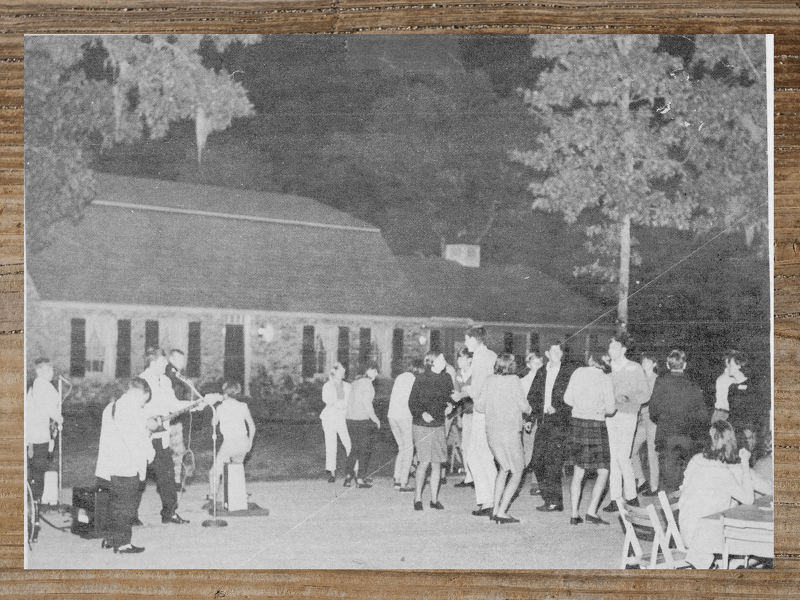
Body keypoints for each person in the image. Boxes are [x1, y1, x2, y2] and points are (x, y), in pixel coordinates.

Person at [679, 420, 755, 568]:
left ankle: (722, 564)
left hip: (685, 532)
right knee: (749, 544)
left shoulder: (695, 460)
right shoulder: (722, 471)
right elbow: (749, 499)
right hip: (701, 541)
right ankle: (733, 566)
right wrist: (745, 463)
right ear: (731, 443)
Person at [95, 378, 154, 553]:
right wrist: (150, 453)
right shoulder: (131, 409)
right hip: (126, 464)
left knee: (113, 504)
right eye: (145, 400)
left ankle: (110, 538)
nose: (144, 404)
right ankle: (122, 543)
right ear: (141, 393)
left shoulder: (112, 407)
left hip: (110, 463)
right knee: (126, 506)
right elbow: (137, 439)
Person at [140, 347, 197, 524]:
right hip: (143, 437)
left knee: (167, 476)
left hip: (162, 437)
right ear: (154, 362)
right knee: (137, 478)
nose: (167, 364)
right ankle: (130, 516)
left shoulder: (165, 381)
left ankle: (169, 513)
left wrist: (195, 404)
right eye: (163, 361)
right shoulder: (141, 381)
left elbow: (172, 404)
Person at [564, 347, 616, 526]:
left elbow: (567, 400)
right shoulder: (605, 379)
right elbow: (611, 409)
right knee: (603, 471)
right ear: (605, 361)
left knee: (579, 471)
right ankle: (592, 511)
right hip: (595, 425)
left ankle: (573, 514)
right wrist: (599, 408)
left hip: (577, 424)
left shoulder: (578, 372)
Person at [477, 353, 531, 523]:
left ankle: (494, 509)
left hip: (492, 433)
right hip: (509, 433)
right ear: (512, 366)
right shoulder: (514, 380)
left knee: (503, 468)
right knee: (518, 471)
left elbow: (479, 407)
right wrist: (530, 410)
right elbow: (523, 405)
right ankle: (502, 511)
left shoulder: (489, 380)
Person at [648, 350, 708, 493]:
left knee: (668, 478)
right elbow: (703, 414)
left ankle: (670, 509)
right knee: (686, 475)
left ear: (668, 366)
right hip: (687, 436)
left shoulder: (661, 381)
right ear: (685, 365)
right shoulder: (692, 383)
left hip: (666, 435)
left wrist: (662, 421)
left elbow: (653, 410)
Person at [603, 333, 650, 512]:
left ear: (623, 349)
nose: (610, 350)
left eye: (613, 347)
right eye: (609, 347)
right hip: (610, 416)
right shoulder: (607, 369)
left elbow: (645, 395)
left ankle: (631, 496)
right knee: (613, 457)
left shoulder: (635, 368)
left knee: (623, 456)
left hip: (628, 415)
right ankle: (615, 498)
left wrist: (628, 397)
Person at [529, 340, 575, 513]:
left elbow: (573, 399)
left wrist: (559, 409)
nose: (556, 354)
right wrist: (529, 418)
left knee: (553, 462)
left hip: (560, 423)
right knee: (537, 461)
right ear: (547, 354)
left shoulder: (568, 372)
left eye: (559, 351)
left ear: (562, 354)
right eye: (553, 351)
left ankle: (555, 501)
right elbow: (532, 396)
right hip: (543, 421)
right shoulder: (542, 372)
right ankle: (549, 496)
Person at [408, 351, 454, 510]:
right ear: (432, 362)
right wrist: (422, 413)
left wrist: (450, 406)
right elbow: (412, 402)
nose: (445, 361)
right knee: (424, 462)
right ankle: (418, 499)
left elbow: (449, 398)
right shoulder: (421, 379)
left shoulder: (447, 378)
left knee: (437, 463)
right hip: (422, 425)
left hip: (439, 424)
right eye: (441, 359)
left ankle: (434, 500)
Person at [25, 357, 63, 541]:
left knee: (34, 476)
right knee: (35, 478)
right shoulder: (42, 386)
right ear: (40, 371)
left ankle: (33, 518)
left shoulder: (38, 386)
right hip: (36, 439)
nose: (52, 373)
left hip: (38, 438)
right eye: (48, 370)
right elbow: (49, 409)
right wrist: (59, 418)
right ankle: (32, 521)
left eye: (51, 370)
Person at [462, 326, 498, 518]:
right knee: (478, 456)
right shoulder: (491, 355)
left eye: (467, 339)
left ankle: (491, 500)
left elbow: (477, 389)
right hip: (487, 410)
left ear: (474, 340)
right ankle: (488, 500)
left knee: (479, 455)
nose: (466, 343)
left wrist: (464, 391)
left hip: (482, 412)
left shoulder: (480, 357)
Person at [344, 362, 381, 488]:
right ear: (368, 370)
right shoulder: (367, 384)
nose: (376, 373)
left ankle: (348, 476)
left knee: (355, 448)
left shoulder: (355, 383)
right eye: (374, 371)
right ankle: (360, 479)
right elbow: (367, 404)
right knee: (364, 450)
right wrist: (375, 419)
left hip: (350, 419)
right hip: (361, 420)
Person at [388, 360, 420, 492]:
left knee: (401, 447)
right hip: (404, 415)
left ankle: (397, 478)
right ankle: (403, 482)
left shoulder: (400, 377)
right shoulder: (414, 379)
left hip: (392, 415)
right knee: (409, 449)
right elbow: (415, 399)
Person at [631, 352, 659, 496]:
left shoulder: (657, 380)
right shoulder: (639, 379)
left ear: (654, 364)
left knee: (651, 452)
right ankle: (641, 480)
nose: (644, 363)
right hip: (641, 419)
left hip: (652, 419)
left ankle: (654, 486)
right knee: (632, 450)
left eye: (648, 361)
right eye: (643, 361)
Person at [320, 362, 352, 483]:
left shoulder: (348, 386)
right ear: (334, 372)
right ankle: (332, 472)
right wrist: (333, 385)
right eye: (341, 371)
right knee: (331, 444)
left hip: (342, 417)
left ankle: (355, 469)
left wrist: (341, 404)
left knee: (348, 443)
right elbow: (328, 401)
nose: (343, 373)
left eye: (344, 371)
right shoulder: (327, 386)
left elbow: (349, 402)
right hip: (330, 417)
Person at [164, 349, 190, 490]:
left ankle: (175, 481)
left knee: (177, 451)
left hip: (176, 418)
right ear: (172, 359)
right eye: (179, 359)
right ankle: (172, 481)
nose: (183, 363)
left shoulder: (178, 375)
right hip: (170, 418)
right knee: (172, 451)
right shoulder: (170, 375)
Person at [519, 350, 544, 494]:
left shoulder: (545, 379)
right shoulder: (523, 382)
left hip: (542, 419)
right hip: (529, 419)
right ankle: (517, 479)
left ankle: (536, 483)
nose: (539, 365)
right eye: (536, 363)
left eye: (541, 363)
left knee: (539, 451)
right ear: (528, 365)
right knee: (528, 451)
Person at [452, 348, 475, 489]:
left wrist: (462, 394)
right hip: (466, 413)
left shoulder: (476, 372)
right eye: (458, 358)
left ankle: (478, 478)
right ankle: (468, 477)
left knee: (476, 447)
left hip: (477, 413)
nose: (458, 361)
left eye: (461, 358)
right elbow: (457, 395)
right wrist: (459, 414)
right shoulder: (459, 373)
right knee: (465, 447)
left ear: (469, 360)